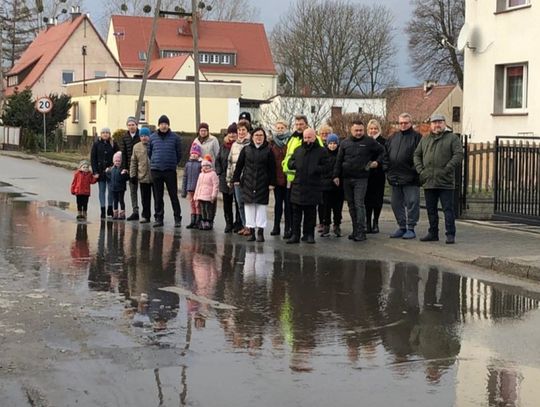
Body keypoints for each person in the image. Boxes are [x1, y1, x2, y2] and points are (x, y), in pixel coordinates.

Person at [414, 114, 463, 244]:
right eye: (434, 123)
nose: (437, 125)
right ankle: (433, 233)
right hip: (429, 180)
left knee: (448, 209)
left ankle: (450, 234)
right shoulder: (425, 139)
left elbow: (458, 155)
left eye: (440, 122)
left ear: (444, 124)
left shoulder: (452, 138)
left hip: (445, 181)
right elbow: (416, 155)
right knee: (431, 210)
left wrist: (447, 169)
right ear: (430, 125)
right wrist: (421, 171)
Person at [332, 119, 384, 242]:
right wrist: (335, 176)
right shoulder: (344, 143)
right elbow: (339, 161)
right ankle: (355, 230)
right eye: (356, 130)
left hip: (361, 178)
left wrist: (377, 162)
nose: (359, 132)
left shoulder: (369, 142)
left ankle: (361, 231)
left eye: (361, 130)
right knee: (351, 205)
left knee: (359, 204)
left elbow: (382, 152)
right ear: (351, 130)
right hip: (347, 178)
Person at [232, 127, 276, 242]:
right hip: (248, 182)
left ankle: (260, 232)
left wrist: (272, 182)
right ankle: (251, 232)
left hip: (263, 183)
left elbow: (272, 168)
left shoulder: (268, 150)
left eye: (261, 135)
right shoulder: (246, 149)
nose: (259, 137)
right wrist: (235, 178)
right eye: (256, 135)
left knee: (261, 207)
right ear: (252, 137)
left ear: (264, 137)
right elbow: (239, 166)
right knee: (249, 207)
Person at [384, 113, 422, 239]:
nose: (403, 125)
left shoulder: (417, 137)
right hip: (394, 177)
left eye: (406, 123)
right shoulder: (393, 137)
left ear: (411, 123)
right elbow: (386, 154)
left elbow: (421, 156)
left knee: (412, 203)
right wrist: (387, 170)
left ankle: (411, 228)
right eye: (401, 123)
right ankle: (401, 226)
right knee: (395, 204)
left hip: (410, 177)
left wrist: (414, 171)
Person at [287, 128, 328, 244]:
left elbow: (327, 166)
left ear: (314, 137)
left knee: (310, 213)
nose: (307, 140)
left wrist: (316, 169)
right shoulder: (298, 150)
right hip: (298, 186)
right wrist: (295, 164)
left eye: (309, 137)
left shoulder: (321, 151)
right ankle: (295, 235)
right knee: (296, 214)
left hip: (313, 186)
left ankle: (309, 234)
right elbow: (290, 163)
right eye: (305, 137)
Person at [148, 115, 182, 228]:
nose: (164, 126)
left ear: (168, 125)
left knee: (173, 195)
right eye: (162, 124)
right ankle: (159, 218)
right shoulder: (152, 137)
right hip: (156, 170)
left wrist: (173, 162)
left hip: (170, 170)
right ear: (159, 125)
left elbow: (179, 153)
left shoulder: (175, 138)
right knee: (158, 196)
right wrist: (155, 161)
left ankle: (177, 218)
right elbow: (149, 152)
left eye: (166, 124)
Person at [281, 114, 309, 239]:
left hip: (305, 179)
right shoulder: (292, 138)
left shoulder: (311, 137)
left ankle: (306, 233)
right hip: (291, 179)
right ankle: (290, 230)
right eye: (297, 124)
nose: (299, 127)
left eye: (301, 124)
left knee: (306, 207)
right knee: (290, 206)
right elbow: (288, 156)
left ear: (306, 125)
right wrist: (285, 165)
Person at [226, 119, 251, 235]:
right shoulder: (234, 145)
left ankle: (250, 226)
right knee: (240, 203)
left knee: (248, 204)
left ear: (247, 131)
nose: (241, 132)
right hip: (236, 180)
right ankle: (245, 225)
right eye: (239, 130)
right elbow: (230, 162)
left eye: (243, 130)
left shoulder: (250, 143)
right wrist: (229, 178)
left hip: (248, 179)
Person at [215, 123, 240, 233]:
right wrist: (219, 172)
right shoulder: (223, 146)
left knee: (239, 202)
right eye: (230, 132)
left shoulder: (240, 145)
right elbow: (218, 160)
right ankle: (228, 223)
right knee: (227, 202)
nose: (232, 135)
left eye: (234, 132)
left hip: (237, 178)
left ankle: (239, 223)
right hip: (225, 177)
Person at [269, 119, 291, 236]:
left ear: (286, 128)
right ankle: (276, 226)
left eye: (282, 128)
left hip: (288, 178)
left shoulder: (291, 140)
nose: (280, 130)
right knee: (278, 204)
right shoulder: (272, 143)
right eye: (278, 128)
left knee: (288, 204)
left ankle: (288, 228)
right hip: (277, 178)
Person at [365, 119, 386, 234]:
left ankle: (375, 222)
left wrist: (378, 163)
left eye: (375, 128)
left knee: (378, 200)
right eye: (371, 129)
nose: (373, 131)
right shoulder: (365, 141)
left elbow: (385, 155)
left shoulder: (383, 141)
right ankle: (367, 223)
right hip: (367, 174)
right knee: (367, 200)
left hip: (379, 174)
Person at [90, 127, 118, 219]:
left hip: (111, 172)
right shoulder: (96, 144)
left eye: (107, 132)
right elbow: (93, 159)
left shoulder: (113, 144)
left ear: (110, 134)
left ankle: (110, 208)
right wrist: (95, 171)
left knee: (111, 190)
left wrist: (114, 167)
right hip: (100, 172)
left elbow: (118, 157)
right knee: (102, 191)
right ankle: (102, 209)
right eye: (103, 133)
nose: (105, 134)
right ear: (100, 134)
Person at [320, 134, 343, 237]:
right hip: (326, 185)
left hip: (338, 186)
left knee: (338, 207)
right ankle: (326, 225)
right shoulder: (323, 154)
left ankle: (337, 224)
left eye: (334, 143)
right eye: (330, 143)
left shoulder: (340, 154)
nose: (332, 146)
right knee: (326, 207)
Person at [129, 127, 153, 224]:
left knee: (157, 198)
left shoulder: (153, 144)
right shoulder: (136, 147)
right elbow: (133, 162)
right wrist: (132, 175)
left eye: (146, 136)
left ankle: (159, 216)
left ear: (149, 136)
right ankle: (146, 216)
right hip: (142, 176)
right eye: (142, 136)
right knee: (145, 198)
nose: (144, 138)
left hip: (154, 175)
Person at [121, 116, 141, 221]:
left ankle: (146, 212)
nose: (131, 127)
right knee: (133, 190)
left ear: (136, 125)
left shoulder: (141, 135)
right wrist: (124, 168)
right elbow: (123, 154)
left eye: (133, 125)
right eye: (129, 125)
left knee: (144, 191)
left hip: (142, 168)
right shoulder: (125, 137)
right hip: (130, 168)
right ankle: (135, 211)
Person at [194, 155, 219, 230]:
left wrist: (214, 195)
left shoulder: (213, 174)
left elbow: (215, 185)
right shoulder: (201, 174)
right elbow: (198, 185)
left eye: (206, 166)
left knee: (209, 209)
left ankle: (209, 222)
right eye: (203, 166)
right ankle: (203, 221)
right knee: (203, 209)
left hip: (209, 196)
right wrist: (196, 195)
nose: (205, 167)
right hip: (201, 196)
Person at [182, 144, 203, 229]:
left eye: (196, 153)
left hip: (197, 188)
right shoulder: (187, 164)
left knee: (198, 204)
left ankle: (198, 221)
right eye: (193, 153)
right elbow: (185, 177)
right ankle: (192, 221)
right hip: (189, 188)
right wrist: (184, 190)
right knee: (192, 204)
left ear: (199, 155)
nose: (194, 155)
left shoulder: (200, 164)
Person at [106, 151, 130, 219]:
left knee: (121, 200)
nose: (117, 162)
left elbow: (126, 178)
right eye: (116, 161)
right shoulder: (112, 169)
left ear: (121, 161)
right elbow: (109, 177)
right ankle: (115, 213)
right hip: (113, 188)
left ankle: (122, 214)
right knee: (115, 201)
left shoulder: (122, 169)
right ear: (113, 161)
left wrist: (124, 173)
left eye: (119, 161)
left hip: (121, 188)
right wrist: (107, 172)